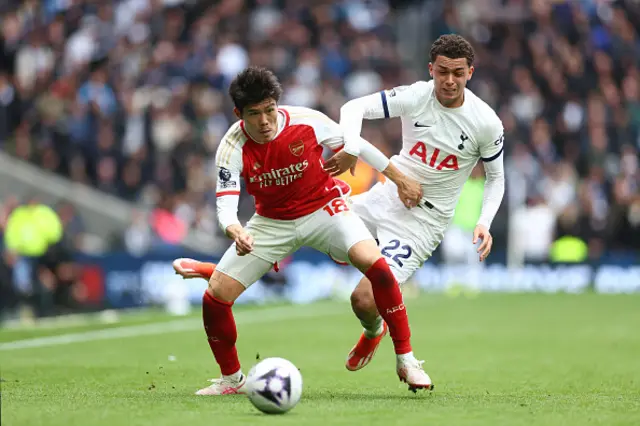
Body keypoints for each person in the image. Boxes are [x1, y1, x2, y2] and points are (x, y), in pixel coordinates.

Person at [177, 33, 505, 383]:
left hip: (423, 221)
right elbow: (353, 109)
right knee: (312, 230)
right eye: (442, 72)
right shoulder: (417, 95)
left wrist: (484, 221)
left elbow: (496, 178)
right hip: (382, 197)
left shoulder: (485, 122)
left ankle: (377, 333)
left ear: (471, 72)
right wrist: (383, 169)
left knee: (364, 298)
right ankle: (223, 274)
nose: (449, 80)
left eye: (457, 73)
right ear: (431, 70)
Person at [182, 66, 433, 396]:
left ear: (277, 105)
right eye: (254, 114)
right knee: (216, 297)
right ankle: (232, 380)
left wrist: (399, 178)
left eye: (269, 110)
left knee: (378, 267)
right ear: (238, 113)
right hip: (271, 223)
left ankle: (406, 359)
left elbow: (358, 145)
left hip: (324, 209)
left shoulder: (305, 120)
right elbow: (226, 201)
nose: (265, 121)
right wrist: (234, 229)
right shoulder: (232, 145)